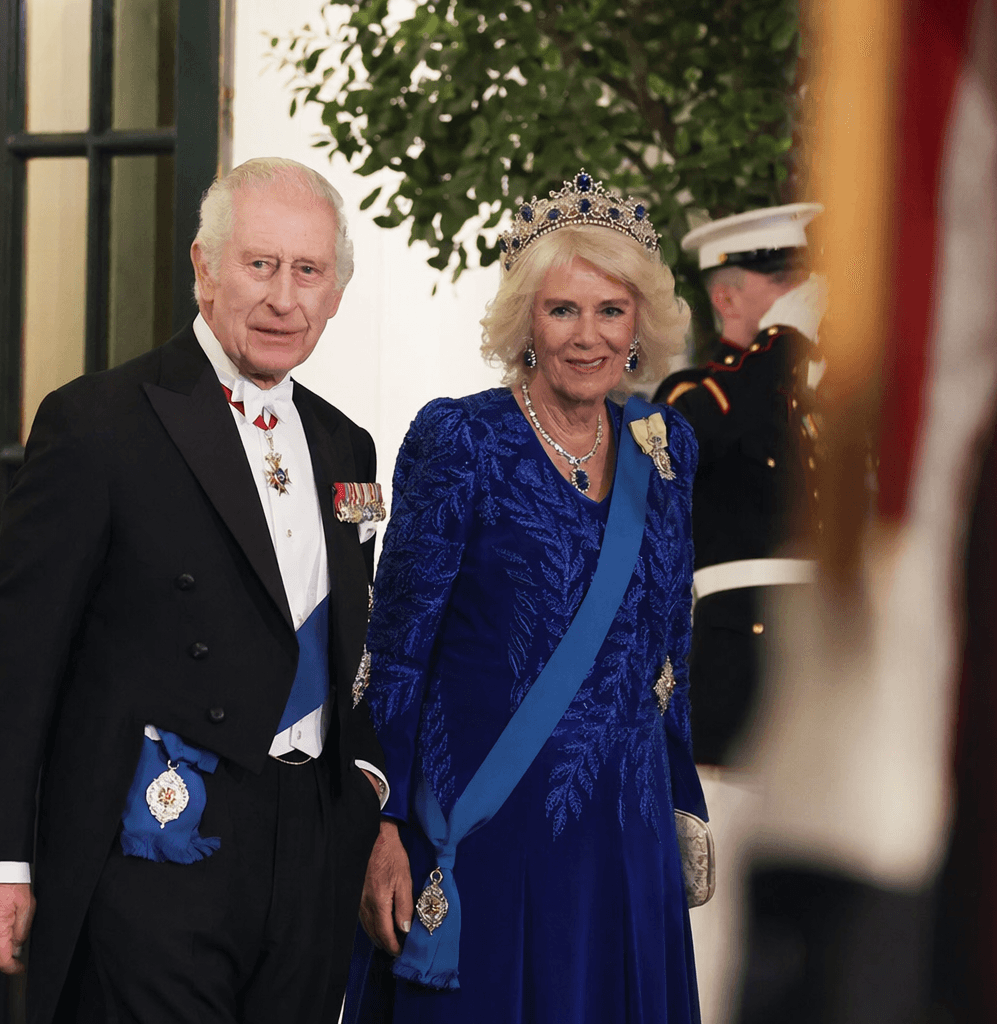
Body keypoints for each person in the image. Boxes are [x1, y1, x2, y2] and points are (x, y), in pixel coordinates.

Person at [0, 157, 388, 1024]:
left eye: (309, 272)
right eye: (260, 265)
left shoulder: (349, 446)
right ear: (203, 266)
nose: (284, 298)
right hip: (156, 844)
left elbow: (353, 647)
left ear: (337, 290)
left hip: (308, 848)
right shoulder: (98, 422)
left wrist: (367, 797)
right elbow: (21, 655)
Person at [349, 173, 704, 1024]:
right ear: (526, 324)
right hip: (486, 832)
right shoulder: (460, 439)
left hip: (626, 837)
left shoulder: (667, 450)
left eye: (611, 310)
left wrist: (683, 796)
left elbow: (668, 656)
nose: (589, 337)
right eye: (563, 311)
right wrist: (384, 824)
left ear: (640, 325)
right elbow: (396, 651)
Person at [652, 204, 827, 1024]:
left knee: (827, 927)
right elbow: (697, 438)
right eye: (792, 283)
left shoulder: (839, 395)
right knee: (716, 932)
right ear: (728, 298)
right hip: (737, 680)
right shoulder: (704, 392)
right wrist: (786, 342)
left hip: (833, 682)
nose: (816, 298)